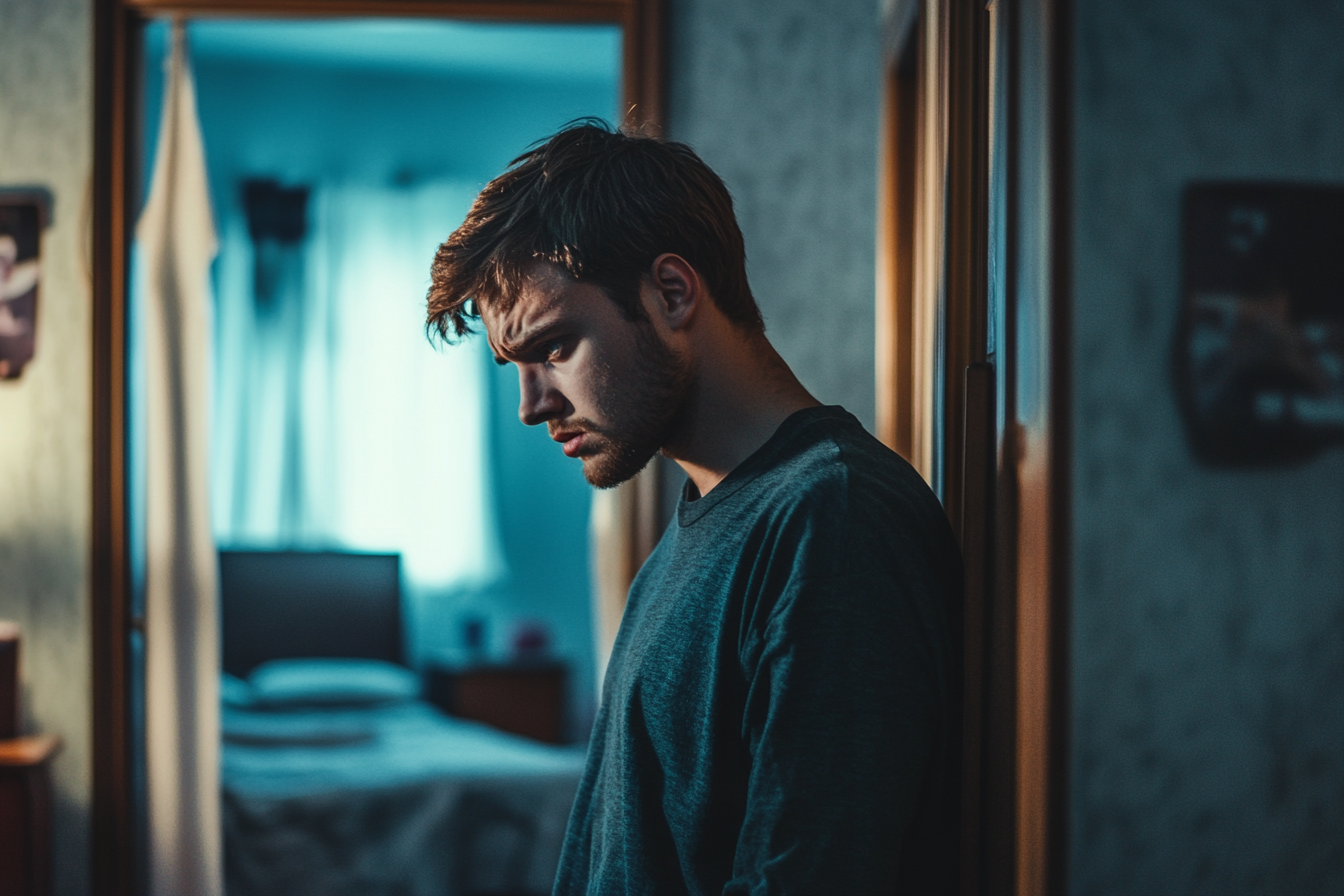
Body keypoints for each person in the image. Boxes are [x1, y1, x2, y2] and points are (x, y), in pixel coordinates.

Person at [427, 121, 963, 896]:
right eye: (516, 366)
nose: (531, 406)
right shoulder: (695, 532)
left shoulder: (833, 521)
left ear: (672, 292)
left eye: (553, 348)